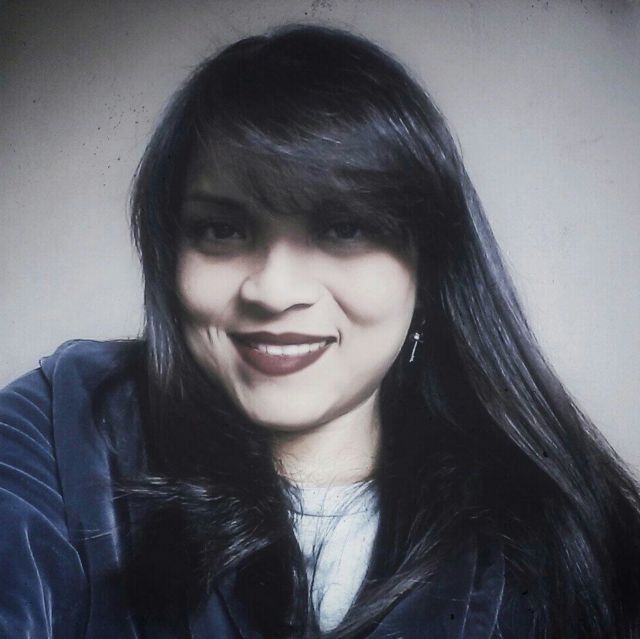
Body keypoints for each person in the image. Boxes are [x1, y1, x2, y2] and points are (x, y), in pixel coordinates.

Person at [1, 24, 639, 639]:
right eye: (222, 230)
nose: (275, 291)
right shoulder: (62, 430)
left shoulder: (563, 531)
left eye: (344, 228)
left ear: (429, 266)